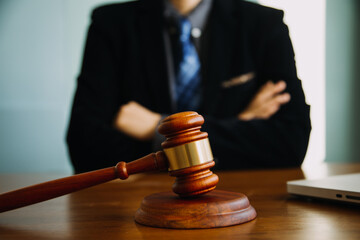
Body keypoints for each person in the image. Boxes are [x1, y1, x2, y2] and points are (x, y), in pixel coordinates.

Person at [67, 0, 311, 173]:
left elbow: (291, 143)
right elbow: (84, 147)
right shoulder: (110, 24)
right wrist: (241, 123)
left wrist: (158, 128)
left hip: (242, 198)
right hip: (134, 205)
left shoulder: (264, 24)